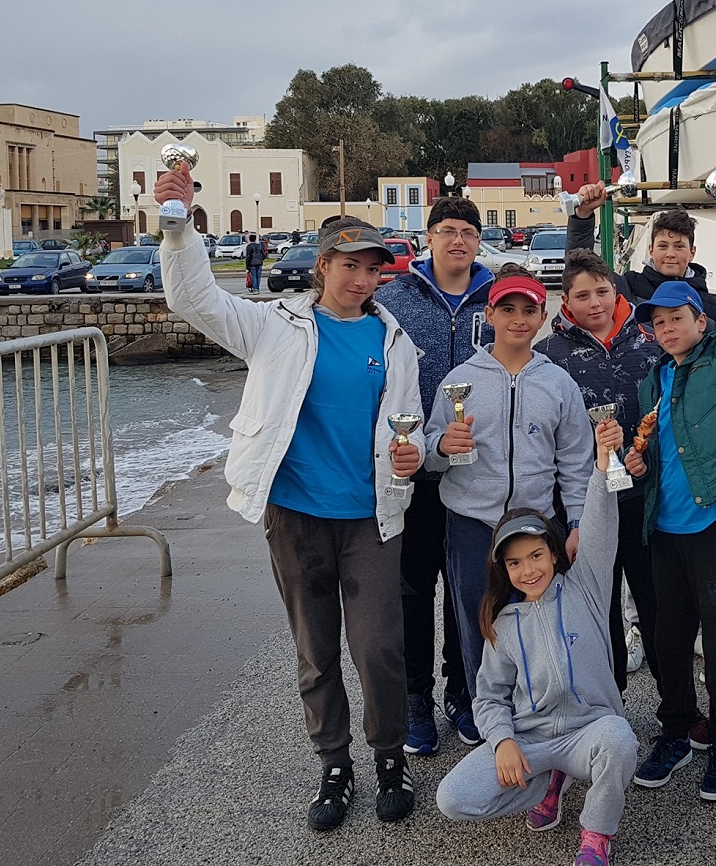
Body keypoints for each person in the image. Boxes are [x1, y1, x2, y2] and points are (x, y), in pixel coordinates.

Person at [156, 166, 423, 831]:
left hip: (371, 516)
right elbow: (192, 299)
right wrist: (179, 227)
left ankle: (389, 756)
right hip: (296, 513)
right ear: (323, 265)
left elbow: (409, 426)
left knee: (379, 647)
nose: (361, 279)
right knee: (315, 647)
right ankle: (334, 764)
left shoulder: (396, 342)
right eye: (350, 266)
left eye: (372, 269)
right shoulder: (273, 325)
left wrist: (412, 454)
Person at [435, 418, 639, 866]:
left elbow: (601, 524)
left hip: (588, 731)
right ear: (503, 570)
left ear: (554, 551)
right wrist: (503, 741)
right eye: (514, 563)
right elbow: (489, 697)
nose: (528, 570)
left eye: (536, 556)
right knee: (453, 798)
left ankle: (596, 832)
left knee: (620, 741)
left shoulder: (586, 584)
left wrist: (602, 463)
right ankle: (548, 782)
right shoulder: (503, 624)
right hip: (533, 740)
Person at [622, 196, 716, 803]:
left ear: (700, 319)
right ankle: (678, 729)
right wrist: (637, 463)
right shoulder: (652, 379)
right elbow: (655, 448)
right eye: (658, 322)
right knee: (668, 637)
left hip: (713, 519)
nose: (667, 328)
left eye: (676, 318)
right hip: (663, 525)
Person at [424, 266, 596, 705]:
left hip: (535, 524)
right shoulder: (459, 381)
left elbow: (575, 461)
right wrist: (442, 445)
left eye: (528, 310)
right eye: (507, 309)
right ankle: (486, 716)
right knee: (477, 622)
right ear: (490, 315)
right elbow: (427, 450)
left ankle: (539, 713)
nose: (518, 319)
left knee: (538, 622)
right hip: (472, 522)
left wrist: (577, 521)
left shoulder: (558, 382)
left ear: (542, 317)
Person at [376, 196, 495, 754]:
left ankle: (464, 692)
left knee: (467, 593)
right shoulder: (393, 299)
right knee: (413, 591)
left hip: (474, 474)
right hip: (414, 475)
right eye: (447, 230)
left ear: (477, 240)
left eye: (467, 231)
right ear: (429, 238)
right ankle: (416, 699)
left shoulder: (495, 296)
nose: (458, 240)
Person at [536, 247, 662, 694]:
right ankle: (609, 704)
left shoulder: (650, 341)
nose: (595, 303)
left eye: (603, 292)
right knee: (597, 604)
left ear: (615, 291)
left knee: (655, 602)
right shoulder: (548, 355)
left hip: (644, 495)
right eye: (583, 295)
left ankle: (676, 708)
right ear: (566, 301)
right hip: (586, 502)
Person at [567, 185, 716, 319]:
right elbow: (579, 265)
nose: (670, 254)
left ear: (692, 253)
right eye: (662, 246)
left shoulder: (712, 307)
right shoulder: (629, 287)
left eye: (679, 246)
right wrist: (583, 216)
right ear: (651, 250)